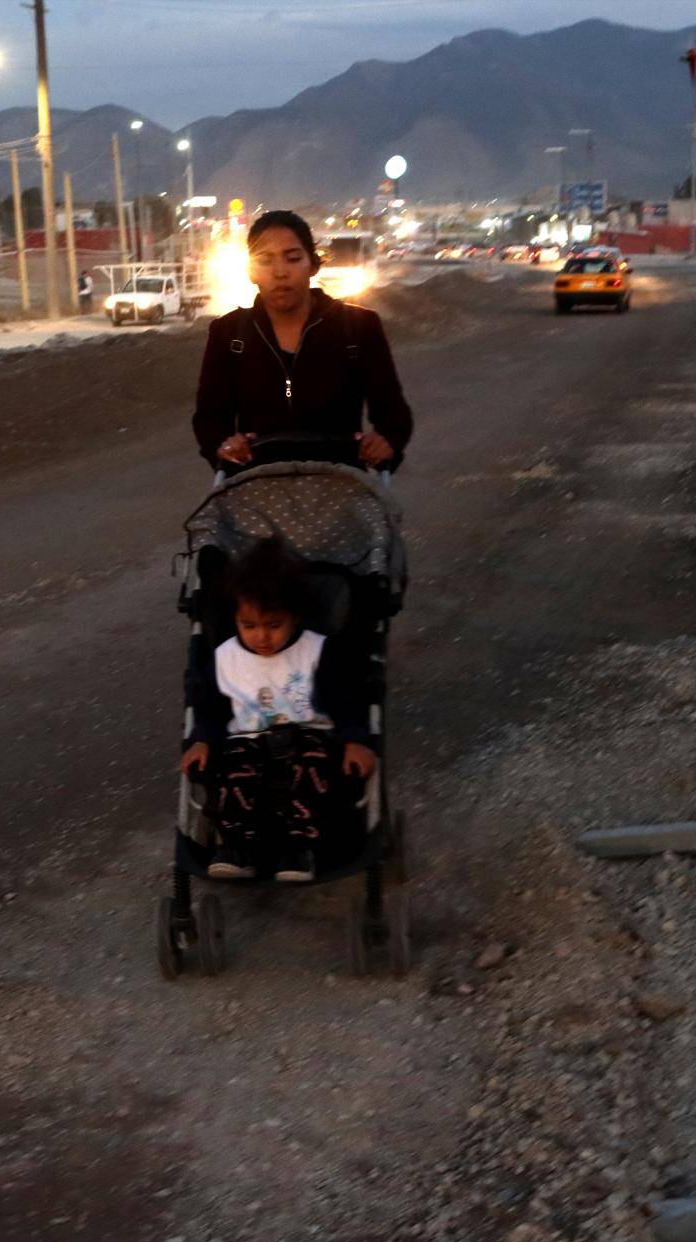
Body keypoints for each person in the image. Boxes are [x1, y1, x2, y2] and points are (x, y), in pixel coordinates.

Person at [180, 536, 377, 884]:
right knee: (234, 773)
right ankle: (239, 846)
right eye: (249, 625)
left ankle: (299, 848)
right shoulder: (226, 658)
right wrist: (202, 739)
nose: (262, 637)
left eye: (274, 625)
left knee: (311, 770)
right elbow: (210, 706)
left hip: (307, 736)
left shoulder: (317, 652)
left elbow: (346, 698)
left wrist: (355, 739)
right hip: (247, 739)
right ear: (236, 618)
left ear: (295, 617)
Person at [193, 209, 412, 473]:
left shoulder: (359, 327)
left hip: (341, 487)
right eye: (265, 260)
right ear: (251, 272)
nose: (280, 272)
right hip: (255, 493)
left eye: (293, 258)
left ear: (313, 265)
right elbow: (209, 419)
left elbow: (393, 415)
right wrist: (224, 445)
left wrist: (385, 443)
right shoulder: (228, 333)